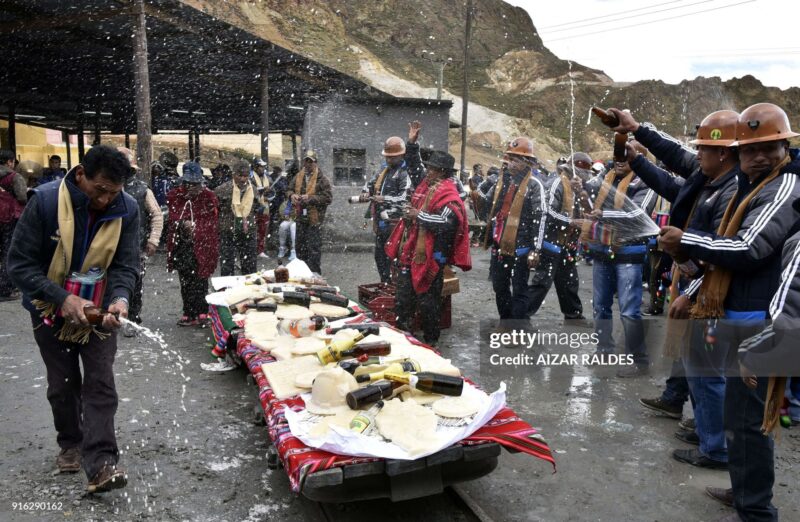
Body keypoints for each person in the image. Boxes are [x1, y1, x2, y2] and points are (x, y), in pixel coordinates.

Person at [659, 102, 800, 522]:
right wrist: (699, 288)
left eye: (768, 147)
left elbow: (749, 248)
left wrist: (687, 241)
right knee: (740, 419)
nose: (758, 156)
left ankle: (756, 510)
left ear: (785, 147)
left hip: (766, 325)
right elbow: (729, 257)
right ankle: (744, 493)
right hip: (742, 316)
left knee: (753, 423)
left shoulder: (785, 187)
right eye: (749, 150)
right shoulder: (752, 186)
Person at [611, 108, 740, 468]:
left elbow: (720, 255)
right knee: (698, 368)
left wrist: (691, 287)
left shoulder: (730, 191)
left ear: (724, 152)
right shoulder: (710, 180)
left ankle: (716, 447)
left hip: (710, 290)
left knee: (710, 375)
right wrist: (638, 148)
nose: (696, 154)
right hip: (696, 280)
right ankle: (704, 429)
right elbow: (673, 174)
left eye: (703, 147)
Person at [6, 144, 139, 492]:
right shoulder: (46, 202)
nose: (105, 200)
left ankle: (101, 463)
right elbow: (18, 264)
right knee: (63, 385)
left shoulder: (127, 209)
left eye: (114, 192)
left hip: (98, 309)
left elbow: (125, 265)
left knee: (100, 383)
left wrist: (120, 300)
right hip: (49, 308)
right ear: (81, 175)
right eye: (100, 190)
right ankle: (70, 441)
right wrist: (62, 298)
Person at [581, 139, 656, 377]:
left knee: (629, 310)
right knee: (600, 306)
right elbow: (590, 194)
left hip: (629, 254)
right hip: (602, 250)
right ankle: (604, 350)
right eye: (617, 157)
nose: (620, 161)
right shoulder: (607, 178)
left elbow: (638, 214)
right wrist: (580, 188)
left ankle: (639, 360)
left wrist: (603, 213)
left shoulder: (647, 182)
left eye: (626, 157)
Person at [385, 150, 471, 345]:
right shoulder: (426, 186)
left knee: (428, 302)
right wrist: (412, 145)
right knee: (404, 298)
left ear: (441, 172)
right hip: (413, 252)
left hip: (434, 255)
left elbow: (448, 222)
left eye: (431, 168)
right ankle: (404, 336)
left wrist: (418, 216)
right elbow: (415, 167)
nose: (428, 171)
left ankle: (431, 341)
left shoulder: (448, 192)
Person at [476, 138, 548, 319]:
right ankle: (506, 322)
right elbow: (488, 208)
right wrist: (475, 195)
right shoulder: (501, 182)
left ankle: (516, 329)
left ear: (528, 163)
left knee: (519, 290)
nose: (512, 163)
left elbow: (540, 218)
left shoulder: (534, 185)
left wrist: (536, 249)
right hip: (500, 246)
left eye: (517, 159)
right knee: (499, 286)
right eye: (511, 158)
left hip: (522, 248)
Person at [527, 152, 591, 324]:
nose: (586, 177)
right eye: (585, 173)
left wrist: (581, 196)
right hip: (551, 242)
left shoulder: (575, 186)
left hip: (567, 244)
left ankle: (573, 315)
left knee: (569, 281)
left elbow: (581, 209)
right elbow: (547, 212)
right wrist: (571, 222)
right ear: (575, 170)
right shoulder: (557, 182)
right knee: (541, 283)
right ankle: (519, 318)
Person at [166, 161, 219, 326]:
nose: (192, 187)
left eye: (196, 183)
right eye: (189, 183)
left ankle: (203, 311)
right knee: (185, 279)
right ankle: (188, 312)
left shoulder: (209, 196)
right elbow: (173, 218)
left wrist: (197, 227)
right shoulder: (175, 195)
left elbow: (211, 222)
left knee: (201, 279)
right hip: (183, 246)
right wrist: (182, 223)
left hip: (203, 245)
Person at [358, 128, 414, 283]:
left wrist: (385, 199)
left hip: (396, 223)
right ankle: (384, 282)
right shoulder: (384, 168)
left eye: (392, 157)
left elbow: (404, 198)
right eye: (387, 157)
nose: (389, 160)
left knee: (394, 258)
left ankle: (393, 286)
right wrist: (364, 192)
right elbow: (370, 183)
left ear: (401, 155)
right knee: (380, 256)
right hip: (381, 222)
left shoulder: (405, 172)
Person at [118, 147, 163, 336]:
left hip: (135, 246)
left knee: (135, 284)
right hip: (108, 246)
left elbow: (157, 215)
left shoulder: (143, 190)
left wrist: (153, 240)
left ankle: (133, 320)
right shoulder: (104, 186)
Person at [285, 150, 332, 274]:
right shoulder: (298, 176)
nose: (308, 164)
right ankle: (302, 274)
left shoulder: (322, 179)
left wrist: (311, 198)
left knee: (314, 249)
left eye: (310, 162)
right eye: (306, 161)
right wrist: (292, 196)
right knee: (300, 247)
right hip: (300, 217)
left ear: (315, 163)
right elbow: (289, 189)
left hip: (314, 219)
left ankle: (315, 275)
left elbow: (328, 198)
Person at [215, 160, 258, 276]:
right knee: (227, 264)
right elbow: (215, 208)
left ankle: (250, 289)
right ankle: (227, 289)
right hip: (228, 231)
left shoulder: (253, 189)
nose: (243, 179)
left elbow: (257, 207)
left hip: (248, 230)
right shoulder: (222, 189)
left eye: (246, 176)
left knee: (250, 265)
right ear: (233, 175)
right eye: (240, 175)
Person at [0, 149, 27, 301]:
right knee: (7, 251)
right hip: (8, 219)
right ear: (10, 161)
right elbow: (22, 197)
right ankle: (5, 288)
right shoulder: (14, 177)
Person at [250, 158, 271, 258]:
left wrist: (269, 195)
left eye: (263, 166)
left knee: (263, 230)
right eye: (260, 166)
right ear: (255, 167)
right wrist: (261, 191)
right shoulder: (250, 177)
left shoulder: (267, 177)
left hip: (265, 207)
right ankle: (252, 250)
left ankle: (260, 250)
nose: (263, 168)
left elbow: (273, 192)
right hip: (253, 208)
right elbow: (250, 192)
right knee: (252, 230)